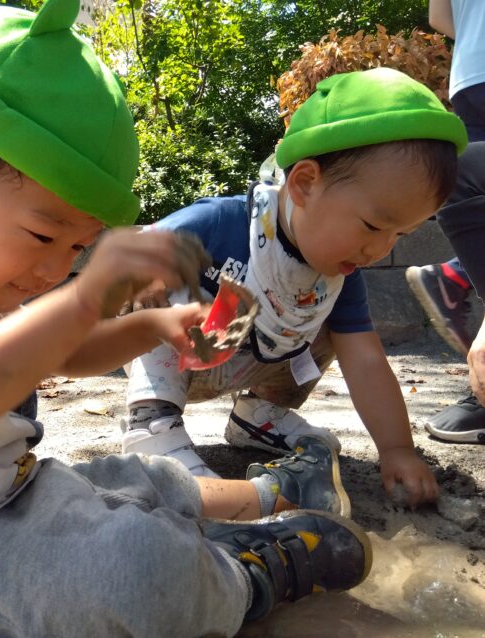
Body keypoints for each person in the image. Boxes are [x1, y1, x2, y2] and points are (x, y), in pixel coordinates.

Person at [0, 1, 371, 635]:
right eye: (42, 236)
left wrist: (147, 328)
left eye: (75, 249)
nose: (54, 270)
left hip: (6, 503)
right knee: (137, 567)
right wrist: (84, 296)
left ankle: (275, 494)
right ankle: (245, 575)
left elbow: (63, 351)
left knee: (137, 478)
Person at [119, 67, 466, 505]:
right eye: (374, 225)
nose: (379, 249)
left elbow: (366, 361)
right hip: (182, 352)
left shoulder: (337, 275)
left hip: (249, 357)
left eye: (400, 236)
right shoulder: (225, 225)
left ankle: (256, 415)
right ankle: (152, 424)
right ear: (304, 183)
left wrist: (397, 449)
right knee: (155, 293)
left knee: (336, 329)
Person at [405, 0, 485, 443]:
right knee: (467, 184)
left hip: (470, 74)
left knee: (467, 184)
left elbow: (440, 18)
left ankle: (456, 274)